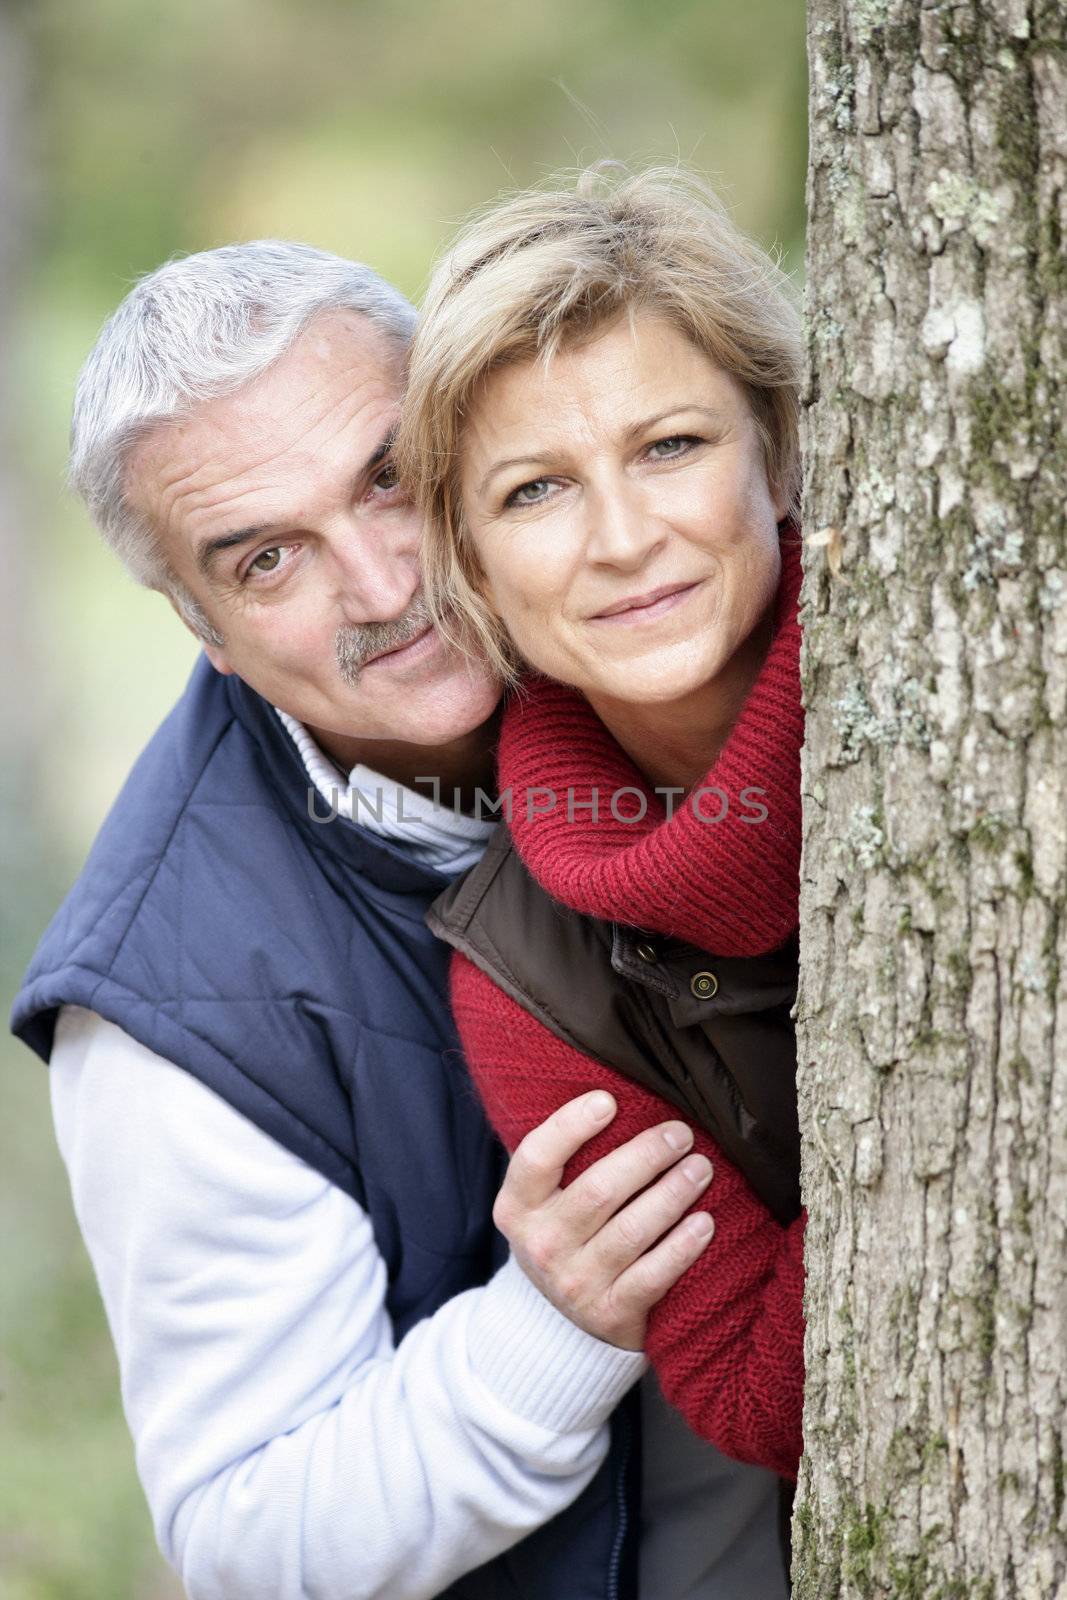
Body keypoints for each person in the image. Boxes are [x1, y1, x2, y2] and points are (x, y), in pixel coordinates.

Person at [11, 241, 789, 1599]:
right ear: (201, 623)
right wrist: (546, 1329)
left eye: (389, 477)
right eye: (267, 560)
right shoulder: (175, 1005)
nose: (383, 587)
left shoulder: (674, 613)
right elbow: (247, 1538)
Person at [399, 167, 807, 1482]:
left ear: (779, 452)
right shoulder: (526, 974)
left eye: (671, 447)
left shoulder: (1012, 689)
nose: (625, 538)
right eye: (536, 491)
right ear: (470, 565)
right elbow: (755, 1388)